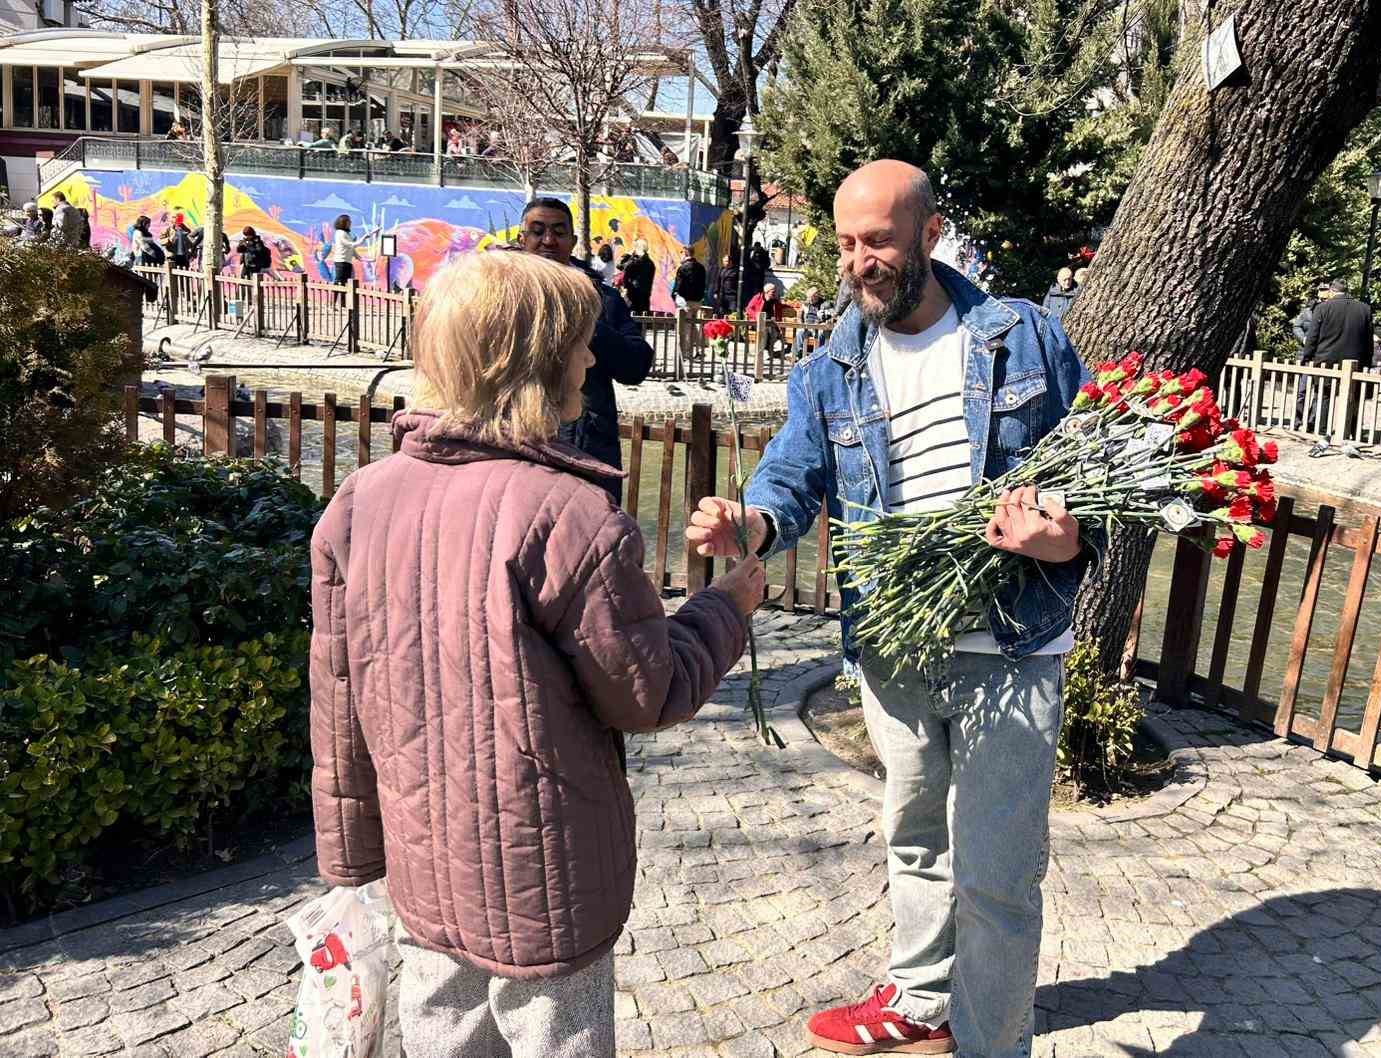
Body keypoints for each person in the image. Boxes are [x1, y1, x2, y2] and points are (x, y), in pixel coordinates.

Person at [309, 250, 764, 1058]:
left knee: (440, 1032)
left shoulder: (359, 500)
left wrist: (350, 861)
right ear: (541, 360)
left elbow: (336, 699)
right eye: (582, 343)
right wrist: (724, 609)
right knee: (557, 1036)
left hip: (423, 868)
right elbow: (646, 692)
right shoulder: (570, 516)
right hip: (546, 876)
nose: (593, 358)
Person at [686, 160, 1094, 1058]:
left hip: (1013, 647)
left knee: (996, 876)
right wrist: (748, 524)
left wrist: (1056, 541)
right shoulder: (832, 363)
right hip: (893, 644)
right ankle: (920, 999)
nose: (859, 262)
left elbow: (1090, 497)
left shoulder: (1023, 338)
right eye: (844, 243)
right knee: (912, 839)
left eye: (878, 241)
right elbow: (792, 481)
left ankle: (991, 1043)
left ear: (929, 232)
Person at [519, 197, 654, 501]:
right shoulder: (498, 296)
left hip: (587, 446)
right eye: (538, 231)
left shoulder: (601, 299)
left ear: (573, 240)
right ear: (522, 239)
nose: (548, 240)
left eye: (558, 231)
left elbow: (637, 366)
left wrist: (584, 323)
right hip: (515, 443)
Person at [1301, 278, 1375, 367]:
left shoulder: (1322, 308)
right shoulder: (1364, 309)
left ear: (1331, 291)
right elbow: (1369, 341)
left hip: (1325, 363)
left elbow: (1312, 336)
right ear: (1347, 291)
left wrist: (1307, 358)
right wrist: (1368, 363)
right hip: (1355, 364)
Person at [672, 249, 708, 359]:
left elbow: (678, 286)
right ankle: (699, 351)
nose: (680, 256)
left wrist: (675, 296)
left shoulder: (682, 268)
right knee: (698, 326)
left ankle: (686, 353)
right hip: (698, 300)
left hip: (685, 301)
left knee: (685, 327)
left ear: (686, 254)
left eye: (681, 253)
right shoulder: (701, 268)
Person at [619, 238, 656, 314]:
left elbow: (621, 266)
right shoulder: (650, 263)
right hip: (645, 295)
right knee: (643, 317)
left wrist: (629, 255)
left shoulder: (636, 262)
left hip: (633, 294)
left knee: (632, 317)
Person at [329, 214, 357, 286]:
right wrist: (362, 239)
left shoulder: (348, 234)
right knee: (339, 281)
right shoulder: (340, 233)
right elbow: (350, 244)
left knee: (345, 282)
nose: (350, 223)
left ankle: (343, 297)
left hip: (347, 261)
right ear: (343, 222)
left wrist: (359, 257)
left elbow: (351, 247)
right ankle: (336, 297)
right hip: (341, 261)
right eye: (348, 221)